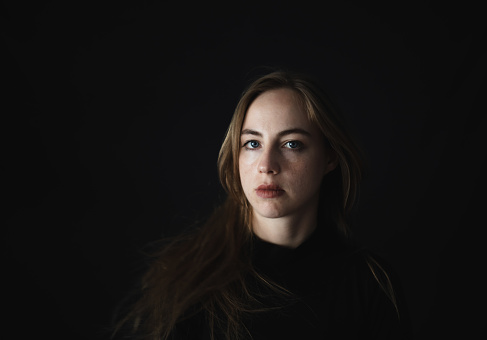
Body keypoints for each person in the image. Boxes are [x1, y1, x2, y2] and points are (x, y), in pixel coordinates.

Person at [111, 70, 412, 339]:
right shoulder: (186, 280)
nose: (267, 165)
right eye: (252, 143)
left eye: (291, 144)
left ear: (330, 157)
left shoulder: (371, 285)